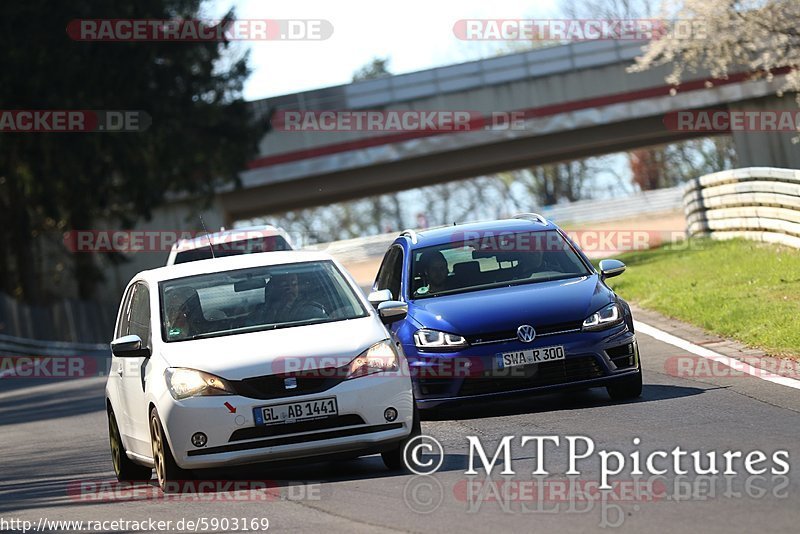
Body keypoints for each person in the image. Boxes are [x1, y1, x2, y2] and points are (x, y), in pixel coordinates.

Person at [261, 272, 326, 323]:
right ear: (276, 289)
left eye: (294, 284)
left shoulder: (310, 311)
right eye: (285, 285)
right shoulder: (264, 311)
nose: (290, 288)